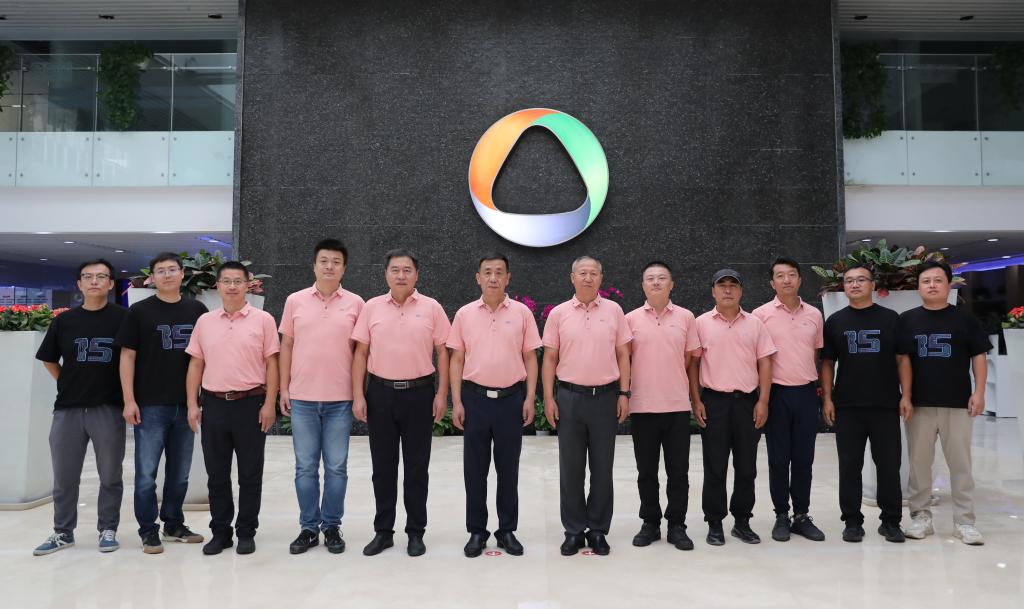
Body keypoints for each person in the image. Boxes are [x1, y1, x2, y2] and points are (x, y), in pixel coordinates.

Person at [352, 249, 451, 557]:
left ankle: (415, 532)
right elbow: (360, 353)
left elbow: (443, 352)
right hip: (380, 394)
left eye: (407, 270)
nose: (401, 275)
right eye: (395, 269)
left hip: (419, 394)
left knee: (417, 468)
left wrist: (442, 394)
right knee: (382, 468)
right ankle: (383, 532)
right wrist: (358, 394)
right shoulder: (371, 307)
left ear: (416, 275)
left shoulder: (432, 308)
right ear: (386, 274)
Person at [448, 253, 542, 557]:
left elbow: (530, 357)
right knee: (474, 471)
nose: (493, 278)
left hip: (510, 400)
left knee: (508, 470)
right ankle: (477, 531)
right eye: (487, 272)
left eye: (499, 272)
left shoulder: (522, 313)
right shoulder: (464, 314)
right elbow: (456, 359)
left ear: (508, 277)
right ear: (478, 277)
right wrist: (456, 401)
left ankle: (507, 530)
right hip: (474, 400)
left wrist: (530, 398)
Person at [185, 261, 280, 555]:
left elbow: (272, 364)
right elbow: (196, 363)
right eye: (226, 281)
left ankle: (246, 531)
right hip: (213, 404)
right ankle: (221, 532)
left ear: (248, 285)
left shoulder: (263, 320)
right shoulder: (205, 321)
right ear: (218, 285)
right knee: (217, 474)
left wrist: (270, 403)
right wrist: (192, 404)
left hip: (251, 404)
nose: (232, 286)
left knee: (250, 474)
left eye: (238, 281)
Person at [116, 252, 208, 554]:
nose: (167, 275)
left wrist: (199, 400)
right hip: (150, 405)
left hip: (186, 404)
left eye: (172, 269)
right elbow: (127, 357)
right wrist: (129, 400)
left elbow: (205, 356)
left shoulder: (197, 310)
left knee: (180, 474)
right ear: (152, 278)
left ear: (183, 274)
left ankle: (173, 524)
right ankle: (148, 530)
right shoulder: (139, 311)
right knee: (146, 474)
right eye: (160, 271)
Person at [33, 259, 126, 556]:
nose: (94, 281)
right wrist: (66, 382)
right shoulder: (64, 321)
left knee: (110, 475)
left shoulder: (124, 319)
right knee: (64, 477)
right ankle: (63, 532)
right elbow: (49, 358)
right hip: (68, 409)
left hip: (108, 407)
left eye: (101, 276)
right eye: (88, 276)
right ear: (79, 284)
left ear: (111, 283)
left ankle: (108, 528)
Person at [279, 239, 365, 555]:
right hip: (302, 399)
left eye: (336, 262)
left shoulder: (356, 304)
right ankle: (308, 527)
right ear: (314, 265)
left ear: (344, 268)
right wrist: (284, 388)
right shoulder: (295, 301)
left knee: (337, 467)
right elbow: (286, 345)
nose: (329, 266)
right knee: (305, 467)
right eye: (324, 261)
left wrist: (358, 394)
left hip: (340, 399)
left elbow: (361, 353)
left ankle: (331, 526)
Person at [542, 255, 631, 556]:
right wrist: (549, 398)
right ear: (572, 277)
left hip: (605, 398)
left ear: (601, 278)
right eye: (582, 273)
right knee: (571, 469)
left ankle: (598, 530)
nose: (588, 278)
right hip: (569, 398)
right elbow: (549, 358)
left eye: (594, 273)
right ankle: (573, 530)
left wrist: (624, 393)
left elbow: (623, 354)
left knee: (603, 468)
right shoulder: (559, 313)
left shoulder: (614, 311)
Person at [898, 261, 991, 545]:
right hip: (920, 405)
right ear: (918, 287)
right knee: (919, 465)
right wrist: (906, 395)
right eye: (926, 281)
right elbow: (903, 361)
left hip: (957, 403)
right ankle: (920, 517)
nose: (932, 285)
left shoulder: (965, 319)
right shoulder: (907, 320)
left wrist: (979, 392)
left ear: (948, 285)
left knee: (961, 465)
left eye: (938, 280)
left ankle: (965, 522)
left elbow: (979, 356)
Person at [821, 264, 909, 543]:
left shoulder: (891, 319)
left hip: (885, 405)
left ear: (872, 285)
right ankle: (852, 521)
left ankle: (891, 521)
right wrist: (827, 398)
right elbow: (827, 363)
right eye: (849, 281)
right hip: (847, 406)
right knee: (849, 466)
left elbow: (902, 359)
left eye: (861, 280)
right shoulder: (835, 321)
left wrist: (906, 395)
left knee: (889, 466)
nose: (855, 284)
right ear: (843, 287)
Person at [690, 269, 776, 546]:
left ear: (741, 291)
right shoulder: (701, 323)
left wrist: (763, 401)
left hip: (747, 402)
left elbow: (765, 362)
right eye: (722, 285)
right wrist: (696, 400)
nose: (727, 290)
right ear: (713, 291)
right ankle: (714, 522)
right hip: (713, 402)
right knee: (715, 466)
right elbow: (693, 364)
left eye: (733, 286)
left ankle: (742, 522)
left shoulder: (755, 324)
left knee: (746, 467)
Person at [626, 261, 701, 551]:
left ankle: (677, 525)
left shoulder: (686, 317)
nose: (656, 282)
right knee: (646, 472)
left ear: (672, 284)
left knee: (678, 472)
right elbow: (625, 360)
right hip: (642, 406)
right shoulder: (630, 319)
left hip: (676, 406)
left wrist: (693, 398)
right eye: (650, 278)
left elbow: (689, 360)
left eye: (661, 278)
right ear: (643, 285)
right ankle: (650, 522)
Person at [752, 257, 826, 542]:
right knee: (779, 459)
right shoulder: (760, 315)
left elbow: (815, 354)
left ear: (800, 280)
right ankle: (782, 515)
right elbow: (757, 359)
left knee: (804, 459)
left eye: (792, 274)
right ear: (772, 283)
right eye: (780, 275)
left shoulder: (814, 315)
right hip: (776, 395)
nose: (786, 280)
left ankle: (802, 515)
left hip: (806, 394)